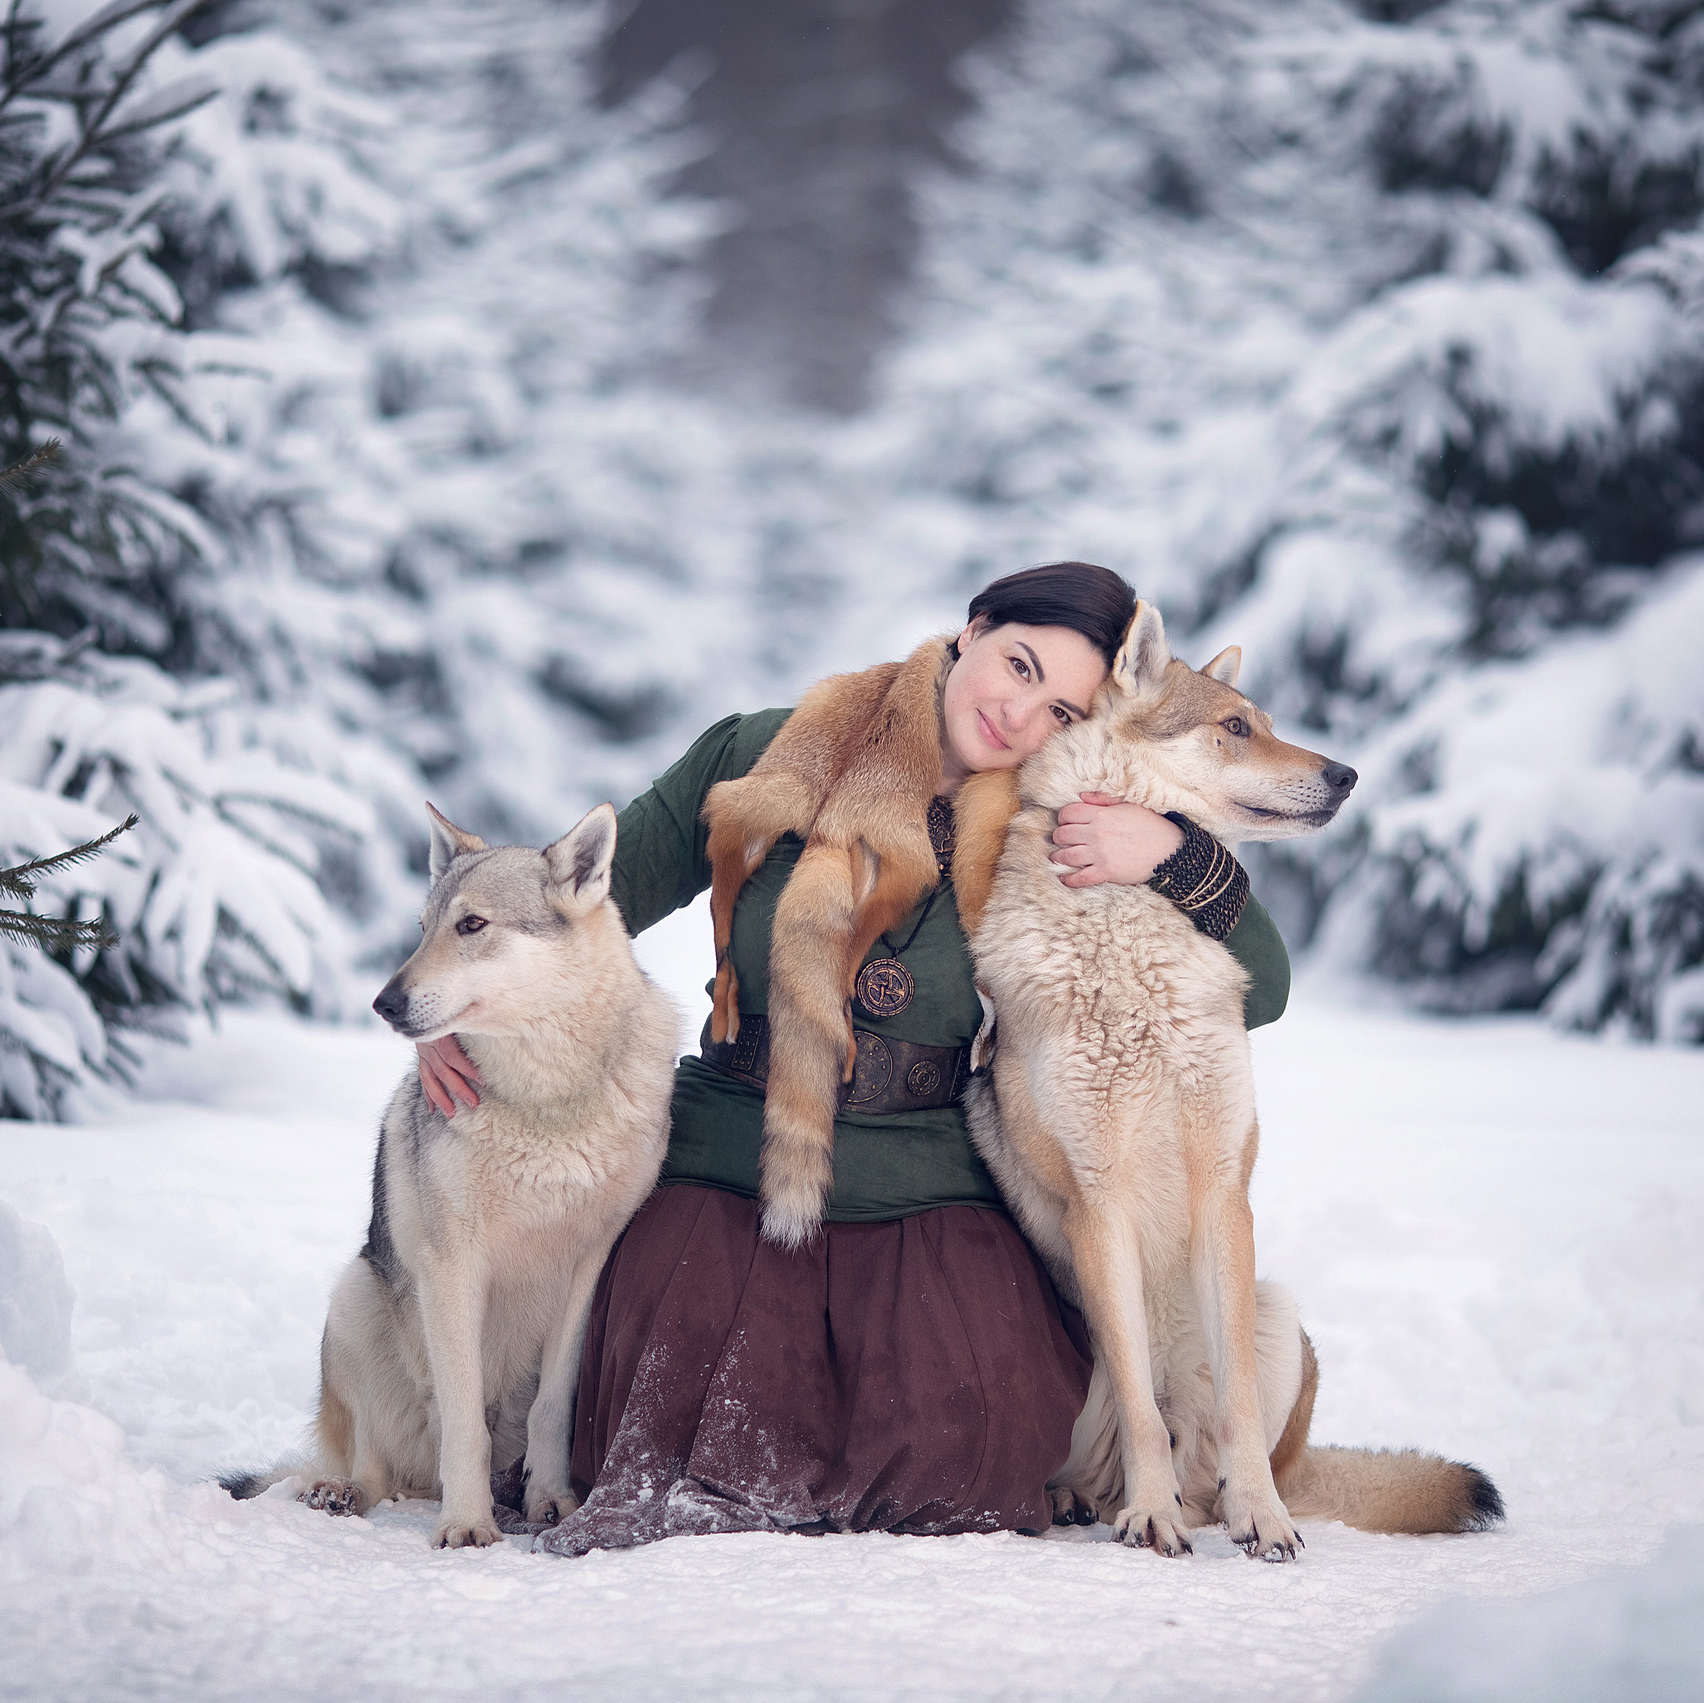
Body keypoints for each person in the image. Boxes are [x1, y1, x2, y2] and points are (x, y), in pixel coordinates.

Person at [411, 562, 1289, 1551]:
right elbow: (569, 907)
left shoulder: (1051, 821)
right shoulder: (763, 752)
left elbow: (1264, 986)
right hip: (730, 1167)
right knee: (682, 1423)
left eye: (1060, 708)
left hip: (924, 1182)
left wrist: (1173, 853)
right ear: (972, 630)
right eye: (1018, 665)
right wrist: (443, 1001)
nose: (1019, 713)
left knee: (973, 1444)